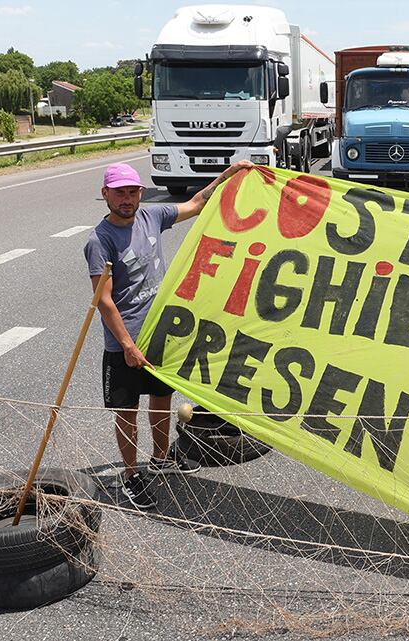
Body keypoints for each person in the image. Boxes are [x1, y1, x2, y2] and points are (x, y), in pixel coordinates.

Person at [84, 159, 253, 510]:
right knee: (126, 411)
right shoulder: (99, 241)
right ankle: (131, 475)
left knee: (161, 402)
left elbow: (197, 203)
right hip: (124, 343)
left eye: (133, 192)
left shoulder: (152, 216)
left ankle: (161, 459)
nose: (127, 199)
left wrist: (231, 174)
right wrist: (128, 346)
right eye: (120, 193)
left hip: (160, 332)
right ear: (106, 195)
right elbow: (103, 300)